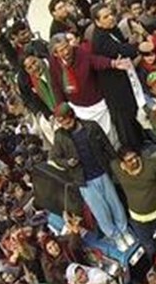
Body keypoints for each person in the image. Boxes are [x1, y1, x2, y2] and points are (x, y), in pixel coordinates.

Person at [49, 105, 134, 251]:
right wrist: (68, 163)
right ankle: (115, 236)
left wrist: (117, 162)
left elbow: (107, 146)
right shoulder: (60, 136)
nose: (65, 125)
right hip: (84, 181)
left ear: (72, 115)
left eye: (67, 122)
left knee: (115, 204)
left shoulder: (91, 126)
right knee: (101, 212)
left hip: (102, 172)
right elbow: (55, 157)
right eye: (61, 123)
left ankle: (124, 230)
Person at [48, 33, 131, 149]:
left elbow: (95, 61)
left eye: (66, 47)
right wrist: (61, 106)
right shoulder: (54, 63)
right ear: (55, 54)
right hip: (78, 108)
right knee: (93, 138)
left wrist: (113, 63)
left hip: (96, 102)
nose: (66, 52)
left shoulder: (80, 53)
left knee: (109, 133)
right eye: (61, 50)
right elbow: (56, 85)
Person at [90, 3, 146, 151]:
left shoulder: (113, 30)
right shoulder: (100, 39)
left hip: (125, 79)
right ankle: (134, 150)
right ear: (97, 22)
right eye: (105, 17)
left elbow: (124, 47)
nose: (111, 18)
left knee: (133, 112)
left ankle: (142, 141)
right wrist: (137, 46)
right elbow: (123, 50)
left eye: (111, 14)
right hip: (114, 88)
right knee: (125, 121)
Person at [111, 148, 156, 257]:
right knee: (150, 247)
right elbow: (112, 162)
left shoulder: (152, 166)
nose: (134, 161)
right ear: (123, 163)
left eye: (135, 157)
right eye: (129, 160)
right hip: (138, 218)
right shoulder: (117, 168)